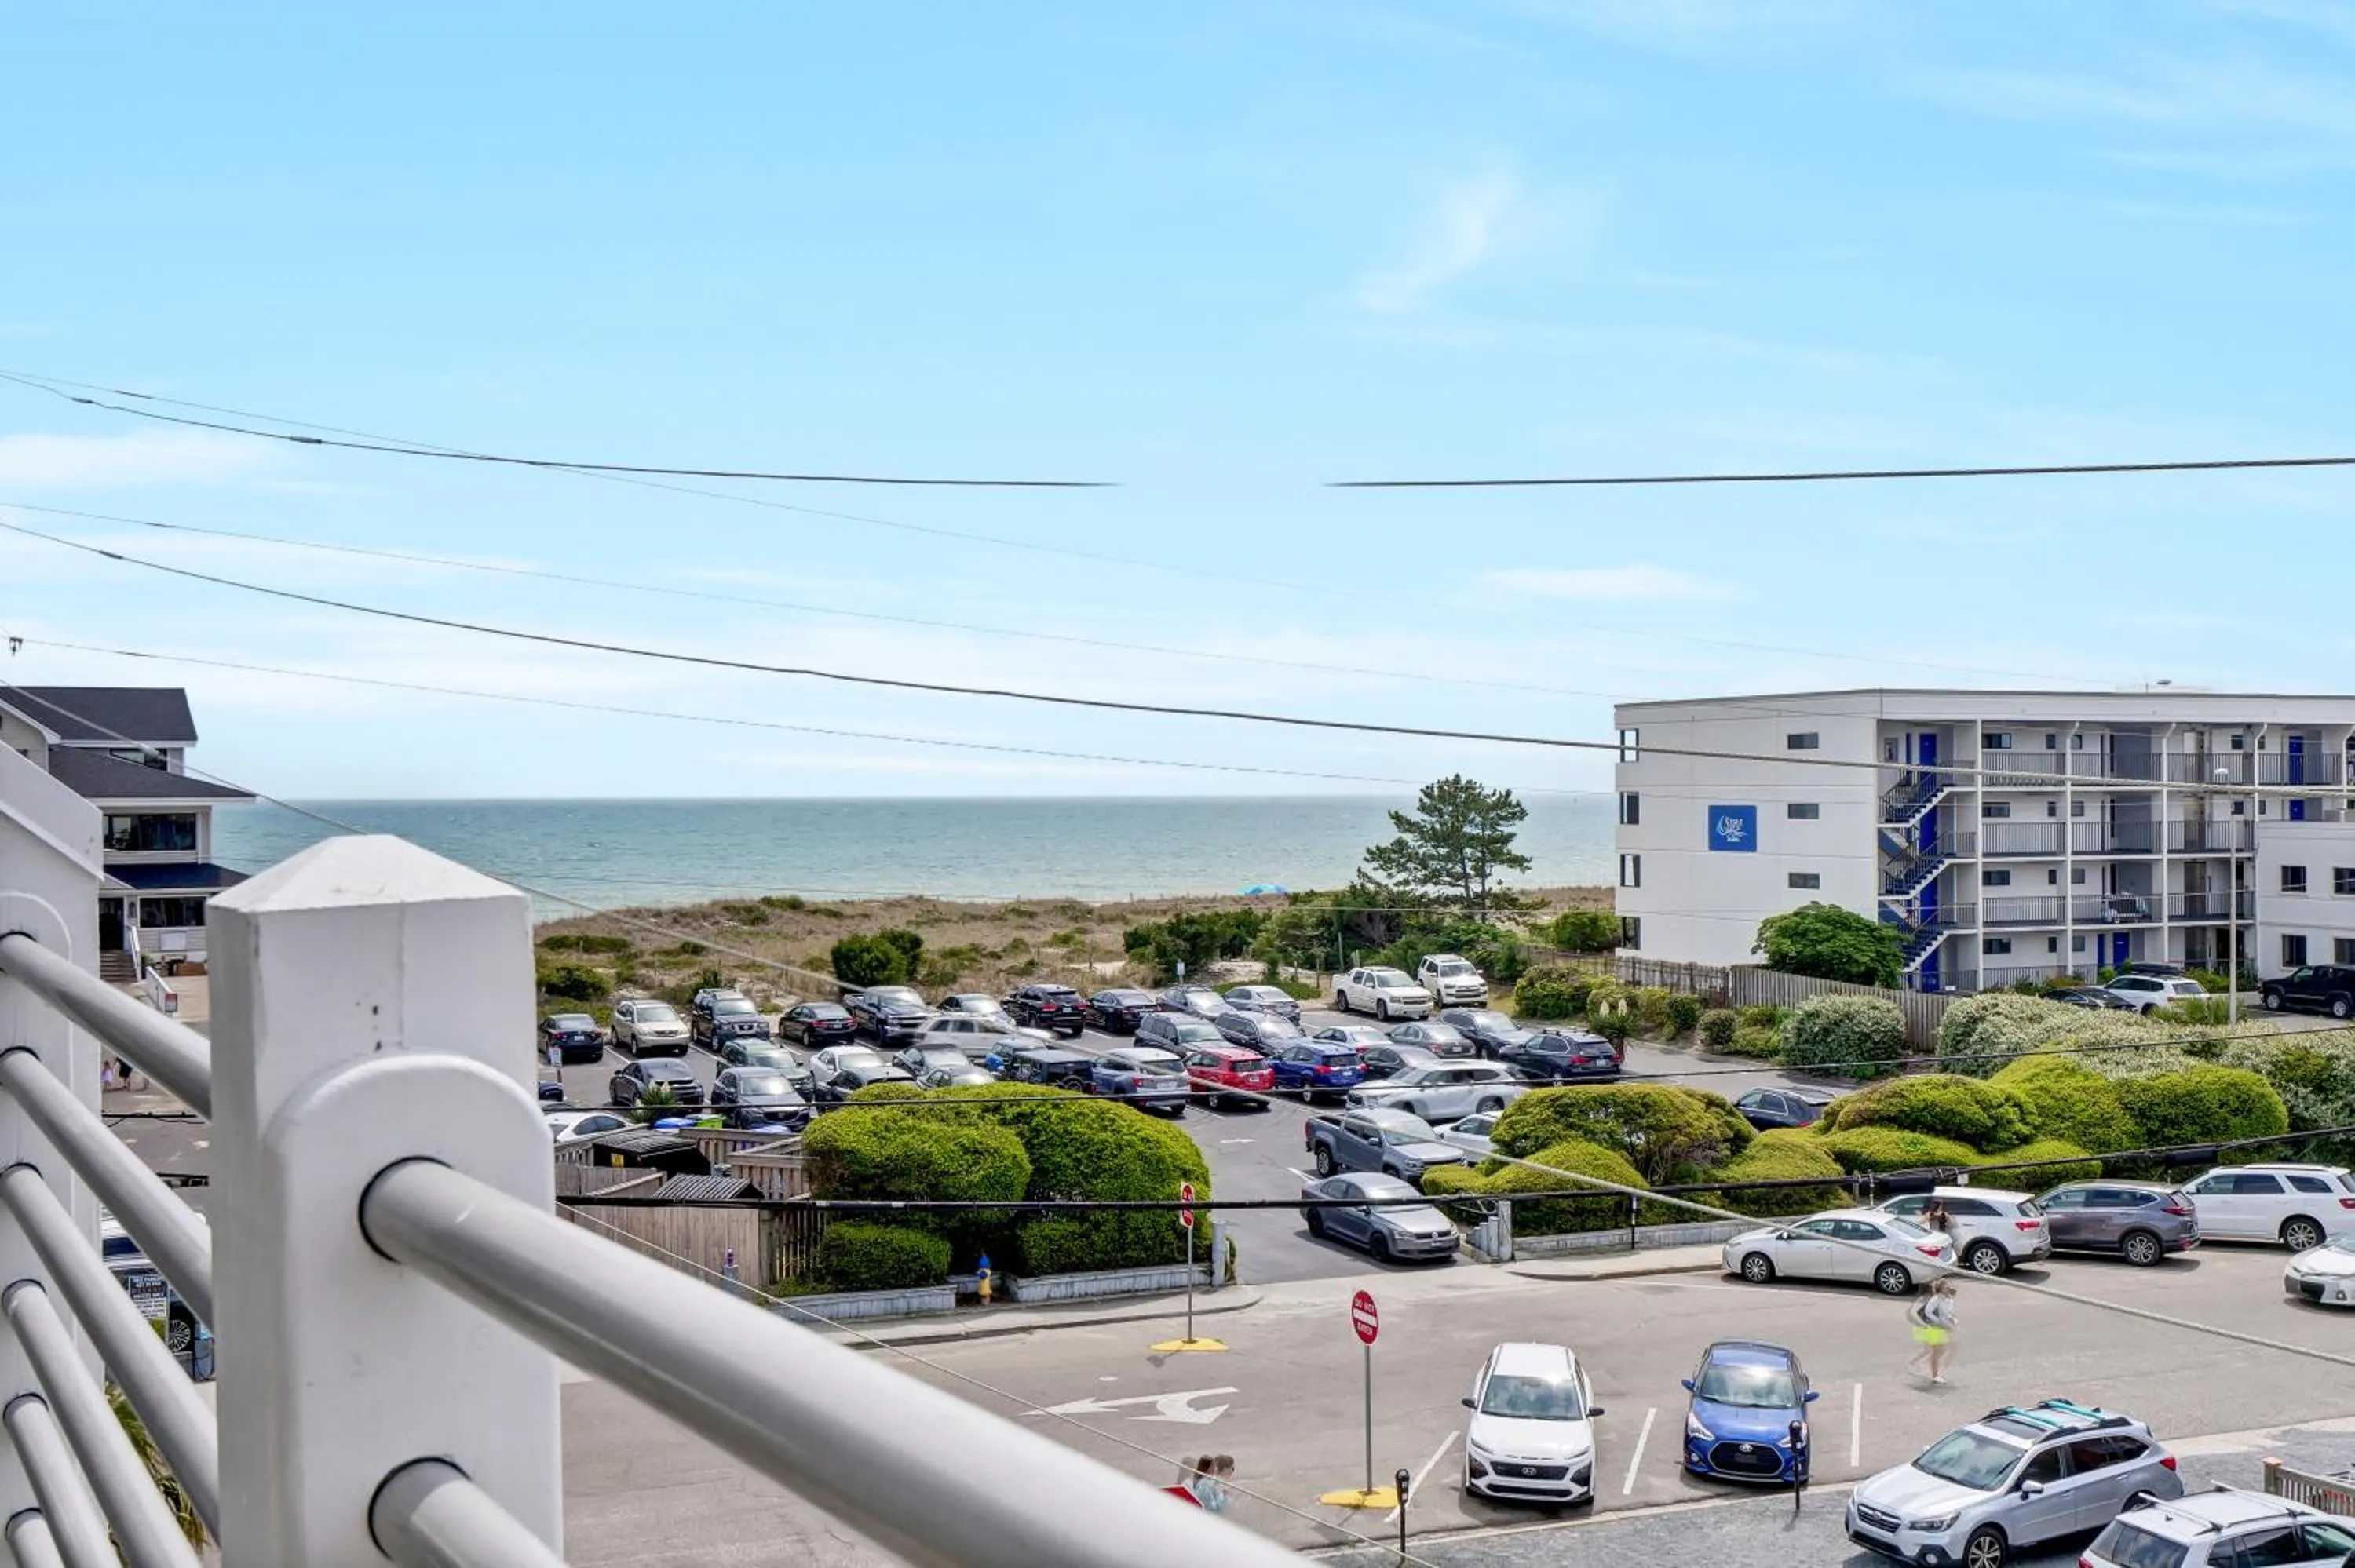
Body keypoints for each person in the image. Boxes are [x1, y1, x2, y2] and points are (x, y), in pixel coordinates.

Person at [1908, 1281, 1958, 1385]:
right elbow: (1928, 1312)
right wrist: (1938, 1322)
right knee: (1936, 1351)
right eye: (1945, 1285)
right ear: (1940, 1288)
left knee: (1932, 1350)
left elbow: (1947, 1314)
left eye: (1949, 1285)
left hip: (1942, 1327)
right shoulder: (1936, 1299)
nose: (1948, 1287)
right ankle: (1935, 1376)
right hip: (1933, 1327)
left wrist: (1952, 1320)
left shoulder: (1949, 1300)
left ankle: (1913, 1362)